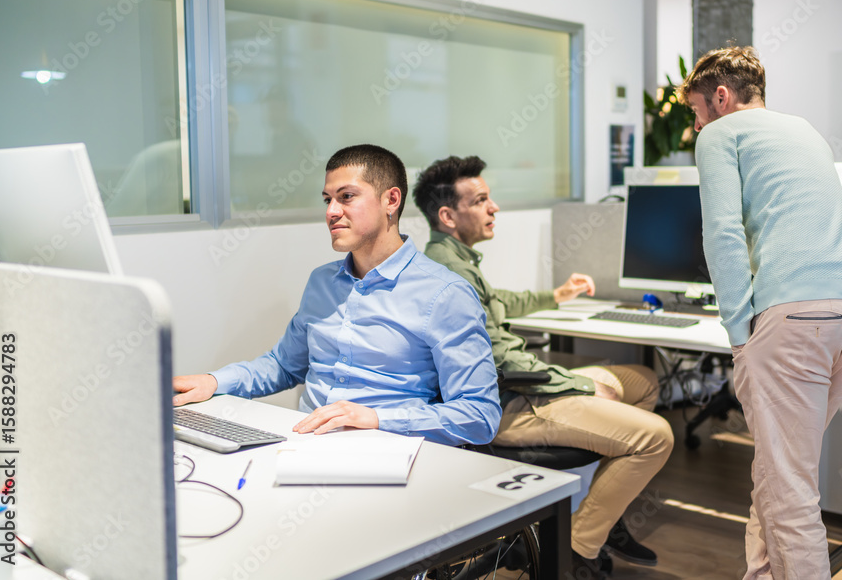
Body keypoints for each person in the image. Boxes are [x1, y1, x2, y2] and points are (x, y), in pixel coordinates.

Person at [414, 155, 674, 575]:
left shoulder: (456, 261)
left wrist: (556, 294)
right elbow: (496, 359)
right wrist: (579, 385)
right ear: (447, 215)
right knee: (656, 438)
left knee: (640, 381)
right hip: (510, 402)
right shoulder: (448, 274)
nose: (493, 207)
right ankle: (574, 548)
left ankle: (605, 512)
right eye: (481, 200)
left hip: (526, 384)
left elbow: (499, 302)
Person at [678, 46, 842, 580]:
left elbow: (721, 234)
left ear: (721, 97)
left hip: (797, 319)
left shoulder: (721, 134)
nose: (696, 124)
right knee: (778, 472)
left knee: (790, 491)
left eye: (697, 110)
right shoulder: (803, 129)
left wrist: (739, 333)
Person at [173, 144, 501, 447]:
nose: (331, 211)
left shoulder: (445, 294)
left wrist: (376, 419)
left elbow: (479, 416)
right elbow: (283, 366)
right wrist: (214, 381)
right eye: (327, 199)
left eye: (346, 197)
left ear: (391, 200)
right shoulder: (322, 281)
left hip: (388, 449)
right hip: (305, 442)